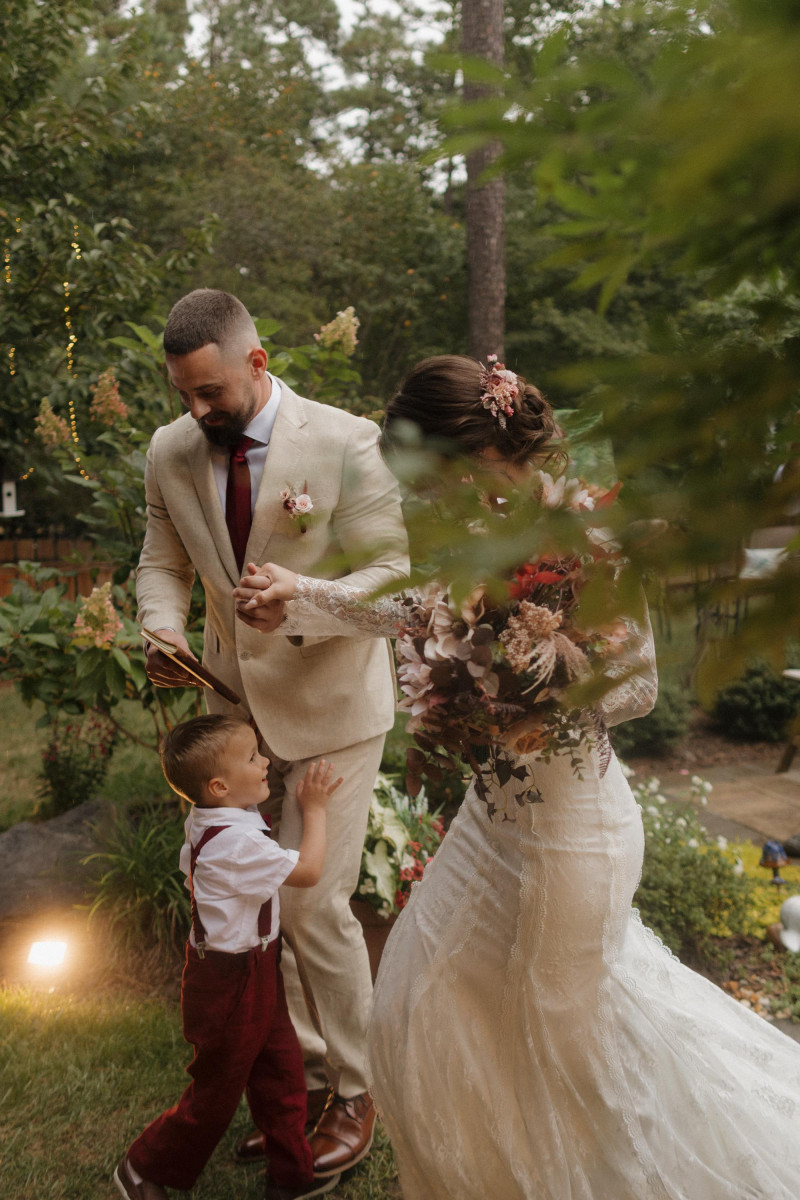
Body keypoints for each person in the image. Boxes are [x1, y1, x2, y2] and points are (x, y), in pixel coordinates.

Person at [236, 355, 800, 1200]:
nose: (427, 501)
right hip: (493, 818)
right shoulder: (476, 537)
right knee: (418, 987)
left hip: (576, 832)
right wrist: (301, 596)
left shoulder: (586, 534)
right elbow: (416, 609)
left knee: (569, 1046)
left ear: (479, 453)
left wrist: (526, 672)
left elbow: (640, 684)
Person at [136, 289, 409, 1174]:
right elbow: (161, 558)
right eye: (184, 394)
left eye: (211, 392)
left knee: (308, 899)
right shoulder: (171, 451)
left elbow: (397, 584)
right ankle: (304, 1083)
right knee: (260, 903)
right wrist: (162, 625)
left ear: (256, 363)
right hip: (233, 709)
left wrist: (306, 597)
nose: (196, 412)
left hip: (335, 707)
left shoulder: (346, 441)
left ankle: (357, 1094)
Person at [114, 714, 344, 1200]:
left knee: (281, 1070)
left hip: (256, 968)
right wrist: (316, 809)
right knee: (216, 1094)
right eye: (254, 757)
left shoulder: (215, 817)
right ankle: (142, 1165)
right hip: (227, 982)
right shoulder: (236, 842)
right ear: (219, 785)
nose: (266, 763)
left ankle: (291, 1175)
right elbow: (308, 871)